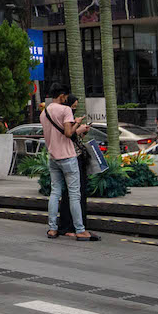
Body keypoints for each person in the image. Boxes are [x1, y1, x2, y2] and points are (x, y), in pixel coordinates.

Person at [40, 83, 96, 241]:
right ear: (62, 95)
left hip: (53, 157)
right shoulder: (65, 110)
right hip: (68, 157)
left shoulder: (44, 112)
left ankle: (52, 228)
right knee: (74, 195)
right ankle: (80, 230)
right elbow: (68, 133)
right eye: (65, 96)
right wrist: (77, 122)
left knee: (55, 192)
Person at [56, 95, 93, 238]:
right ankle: (71, 227)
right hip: (71, 158)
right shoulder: (65, 116)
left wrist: (82, 131)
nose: (73, 110)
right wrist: (78, 127)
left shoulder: (65, 115)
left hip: (72, 157)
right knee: (74, 194)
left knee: (73, 193)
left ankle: (71, 226)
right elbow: (68, 135)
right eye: (73, 106)